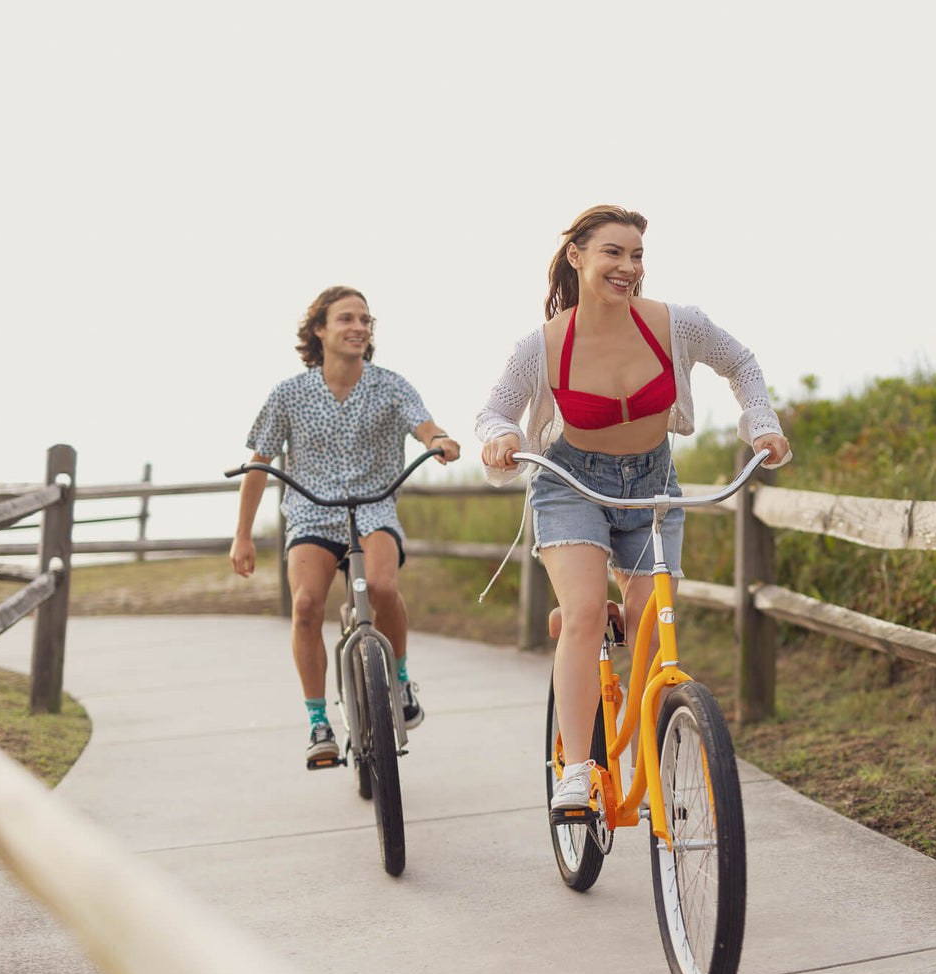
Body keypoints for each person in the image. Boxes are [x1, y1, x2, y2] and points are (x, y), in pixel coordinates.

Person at [477, 205, 791, 813]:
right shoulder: (539, 347)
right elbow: (495, 411)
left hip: (651, 483)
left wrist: (762, 425)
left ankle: (652, 745)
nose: (628, 268)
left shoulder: (677, 325)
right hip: (572, 487)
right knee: (587, 610)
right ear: (577, 256)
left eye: (638, 255)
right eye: (613, 253)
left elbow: (743, 364)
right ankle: (575, 768)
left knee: (653, 614)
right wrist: (501, 437)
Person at [231, 286, 461, 763]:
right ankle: (319, 722)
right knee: (307, 605)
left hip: (373, 507)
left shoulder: (390, 385)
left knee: (380, 587)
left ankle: (397, 681)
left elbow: (423, 424)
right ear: (320, 329)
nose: (359, 327)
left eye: (365, 320)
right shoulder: (290, 394)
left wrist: (438, 440)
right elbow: (258, 464)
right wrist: (243, 535)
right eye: (346, 319)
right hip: (312, 512)